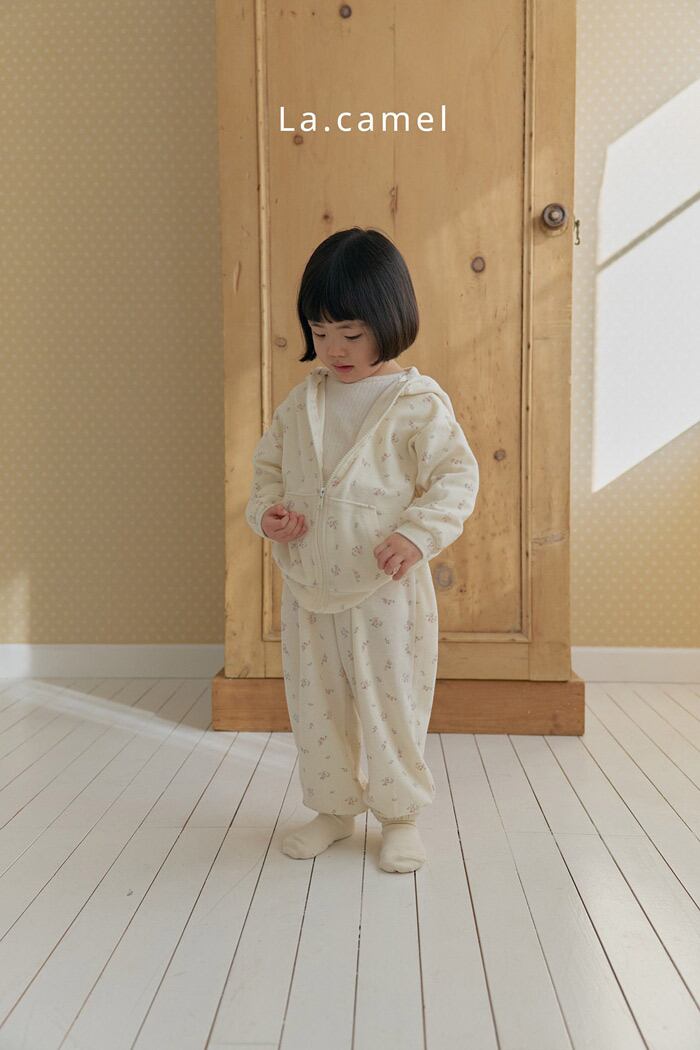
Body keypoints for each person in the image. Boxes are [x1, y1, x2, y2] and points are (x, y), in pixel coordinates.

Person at [245, 227, 479, 873]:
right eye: (320, 332)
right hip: (310, 588)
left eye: (350, 333)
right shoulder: (302, 402)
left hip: (384, 590)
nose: (334, 349)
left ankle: (400, 817)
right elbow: (266, 473)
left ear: (389, 320)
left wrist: (418, 534)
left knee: (390, 705)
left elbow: (456, 478)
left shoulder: (416, 403)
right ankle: (333, 809)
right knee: (316, 707)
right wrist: (269, 514)